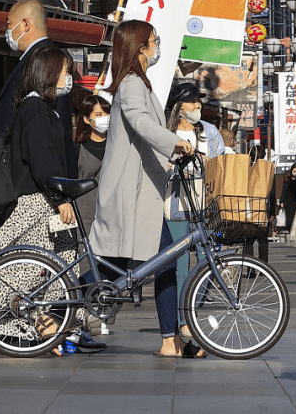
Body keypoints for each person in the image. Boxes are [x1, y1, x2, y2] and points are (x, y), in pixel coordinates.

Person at [0, 46, 104, 355]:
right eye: (64, 72)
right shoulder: (37, 111)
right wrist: (60, 199)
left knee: (60, 266)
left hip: (43, 200)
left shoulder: (41, 109)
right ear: (47, 75)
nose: (69, 78)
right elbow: (44, 163)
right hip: (40, 203)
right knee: (32, 269)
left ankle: (62, 328)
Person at [88, 21, 198, 358]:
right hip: (129, 194)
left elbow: (141, 132)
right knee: (155, 259)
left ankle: (171, 339)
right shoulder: (133, 83)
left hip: (139, 193)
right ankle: (170, 340)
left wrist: (166, 154)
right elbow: (141, 122)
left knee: (124, 262)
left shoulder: (138, 82)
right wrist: (174, 141)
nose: (157, 47)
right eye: (154, 41)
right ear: (139, 48)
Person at [0, 0, 76, 245]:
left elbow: (50, 146)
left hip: (29, 188)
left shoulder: (42, 60)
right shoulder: (36, 80)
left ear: (25, 24)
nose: (7, 32)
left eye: (9, 25)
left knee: (36, 259)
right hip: (31, 190)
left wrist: (60, 193)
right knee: (34, 261)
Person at [164, 82, 224, 350]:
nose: (198, 107)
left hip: (204, 205)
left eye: (199, 102)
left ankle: (191, 311)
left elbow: (220, 165)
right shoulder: (166, 133)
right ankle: (180, 318)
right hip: (174, 204)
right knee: (179, 263)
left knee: (205, 260)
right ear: (179, 105)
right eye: (192, 102)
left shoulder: (209, 132)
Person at [74, 94, 111, 232]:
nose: (105, 118)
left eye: (108, 113)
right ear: (86, 119)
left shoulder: (117, 146)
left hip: (112, 213)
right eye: (99, 114)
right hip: (84, 214)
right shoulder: (77, 148)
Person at [279, 163, 296, 231]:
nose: (295, 173)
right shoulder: (287, 179)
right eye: (294, 171)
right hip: (289, 202)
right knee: (290, 220)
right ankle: (290, 232)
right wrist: (282, 200)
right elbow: (284, 190)